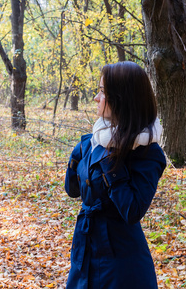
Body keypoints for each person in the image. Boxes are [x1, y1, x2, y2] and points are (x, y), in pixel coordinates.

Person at [64, 61, 166, 288]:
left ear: (121, 99)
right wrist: (78, 158)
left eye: (102, 92)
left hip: (122, 263)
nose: (96, 98)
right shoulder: (94, 140)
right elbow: (72, 191)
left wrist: (111, 161)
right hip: (85, 251)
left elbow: (132, 210)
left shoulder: (147, 152)